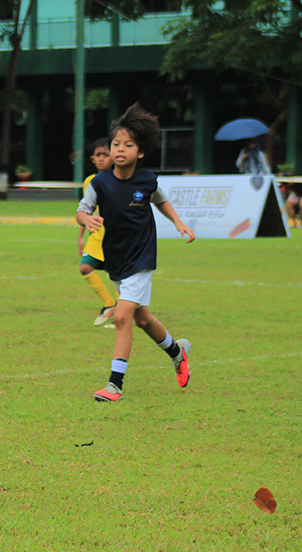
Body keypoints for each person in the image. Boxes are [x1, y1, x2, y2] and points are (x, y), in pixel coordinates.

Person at [76, 103, 197, 402]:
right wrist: (87, 220)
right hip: (116, 258)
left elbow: (161, 201)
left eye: (127, 145)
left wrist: (179, 223)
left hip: (142, 258)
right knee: (142, 319)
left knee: (122, 317)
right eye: (115, 144)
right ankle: (175, 351)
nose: (119, 149)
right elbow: (82, 209)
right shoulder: (99, 183)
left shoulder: (147, 180)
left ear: (140, 152)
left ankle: (114, 385)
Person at [76, 138, 118, 326]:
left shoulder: (120, 179)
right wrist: (80, 237)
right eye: (98, 155)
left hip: (116, 235)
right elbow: (86, 210)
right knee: (85, 267)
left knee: (119, 275)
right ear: (92, 159)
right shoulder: (89, 182)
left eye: (105, 155)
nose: (102, 159)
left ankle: (120, 312)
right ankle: (109, 305)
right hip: (97, 234)